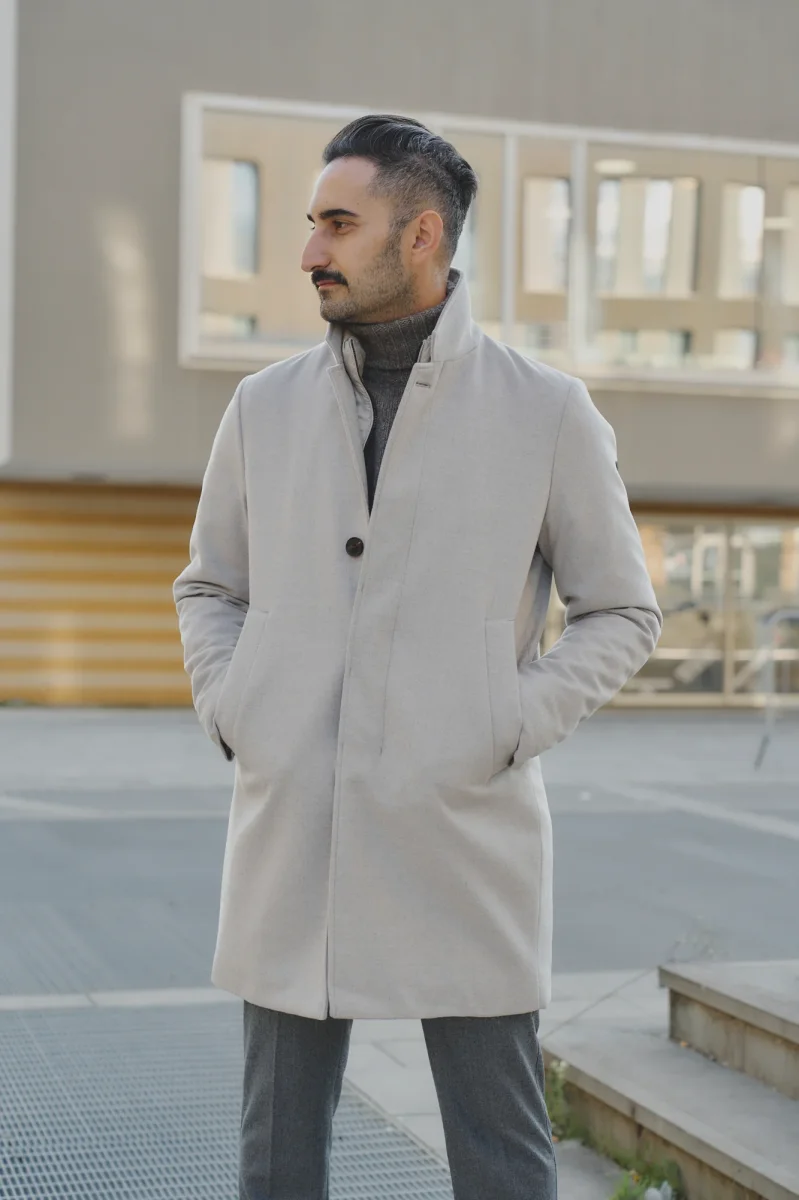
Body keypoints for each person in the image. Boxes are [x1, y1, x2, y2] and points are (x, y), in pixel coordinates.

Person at [174, 113, 663, 1200]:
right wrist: (238, 705)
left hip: (463, 828)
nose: (311, 250)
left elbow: (621, 611)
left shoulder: (545, 412)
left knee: (500, 1154)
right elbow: (210, 587)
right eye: (312, 224)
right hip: (294, 826)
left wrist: (504, 723)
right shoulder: (261, 408)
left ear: (422, 235)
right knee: (274, 1155)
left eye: (338, 224)